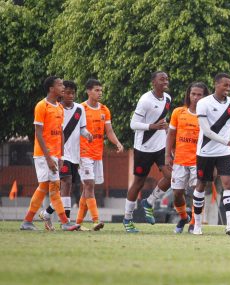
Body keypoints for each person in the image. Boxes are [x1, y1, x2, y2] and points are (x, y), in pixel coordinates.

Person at [19, 76, 79, 231]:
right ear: (51, 89)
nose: (63, 87)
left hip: (55, 155)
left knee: (47, 187)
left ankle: (27, 221)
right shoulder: (41, 106)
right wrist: (48, 158)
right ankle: (65, 223)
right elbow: (38, 134)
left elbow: (60, 134)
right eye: (60, 85)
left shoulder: (59, 107)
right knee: (53, 188)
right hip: (43, 155)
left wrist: (61, 156)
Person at [192, 73, 230, 235]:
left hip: (224, 152)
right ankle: (197, 225)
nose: (228, 88)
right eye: (225, 85)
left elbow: (225, 128)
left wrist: (228, 145)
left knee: (228, 183)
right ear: (216, 84)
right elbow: (207, 131)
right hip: (205, 152)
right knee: (201, 185)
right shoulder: (203, 103)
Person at [39, 80, 93, 230]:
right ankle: (66, 221)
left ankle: (47, 212)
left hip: (75, 154)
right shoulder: (57, 109)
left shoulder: (79, 109)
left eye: (73, 93)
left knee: (68, 187)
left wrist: (87, 134)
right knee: (66, 182)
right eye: (67, 92)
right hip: (61, 154)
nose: (70, 95)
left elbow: (82, 128)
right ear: (62, 94)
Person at [122, 71, 172, 233]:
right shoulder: (145, 100)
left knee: (172, 177)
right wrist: (151, 126)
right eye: (161, 79)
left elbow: (162, 122)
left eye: (166, 79)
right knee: (138, 183)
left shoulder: (168, 99)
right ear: (153, 82)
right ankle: (127, 218)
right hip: (143, 148)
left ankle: (149, 202)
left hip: (160, 146)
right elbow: (133, 124)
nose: (165, 81)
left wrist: (165, 127)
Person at [75, 79, 123, 231]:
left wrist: (117, 143)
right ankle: (96, 220)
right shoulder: (80, 108)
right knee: (89, 184)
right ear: (88, 91)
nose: (100, 93)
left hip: (97, 154)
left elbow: (108, 131)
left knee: (88, 188)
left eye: (101, 90)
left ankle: (77, 223)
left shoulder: (104, 110)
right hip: (83, 153)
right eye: (96, 90)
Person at [165, 82, 208, 233]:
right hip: (179, 160)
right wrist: (167, 155)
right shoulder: (178, 112)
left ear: (204, 96)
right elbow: (171, 134)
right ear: (188, 95)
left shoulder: (207, 115)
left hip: (199, 160)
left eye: (199, 95)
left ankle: (194, 223)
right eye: (193, 94)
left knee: (197, 193)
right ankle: (183, 217)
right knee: (177, 194)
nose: (195, 97)